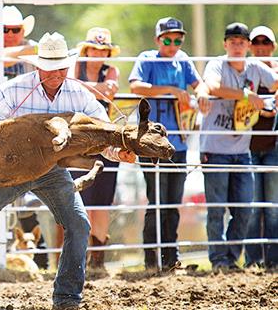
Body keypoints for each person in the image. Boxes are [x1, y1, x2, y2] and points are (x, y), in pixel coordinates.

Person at [0, 32, 135, 310]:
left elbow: (102, 133)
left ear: (68, 66)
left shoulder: (80, 95)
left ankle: (67, 297)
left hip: (52, 168)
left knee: (79, 224)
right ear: (38, 66)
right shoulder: (14, 89)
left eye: (61, 67)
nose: (56, 73)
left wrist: (117, 153)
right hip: (12, 169)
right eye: (50, 67)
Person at [128, 17, 210, 271]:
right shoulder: (147, 58)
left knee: (173, 202)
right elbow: (136, 86)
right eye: (168, 39)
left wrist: (203, 92)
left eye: (178, 40)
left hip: (179, 144)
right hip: (152, 143)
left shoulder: (183, 60)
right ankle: (152, 259)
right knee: (157, 201)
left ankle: (170, 257)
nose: (173, 44)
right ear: (158, 40)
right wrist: (172, 90)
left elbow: (199, 83)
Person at [0, 5, 49, 269]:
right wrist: (31, 49)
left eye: (14, 30)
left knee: (29, 194)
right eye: (3, 30)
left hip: (25, 132)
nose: (9, 34)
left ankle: (38, 259)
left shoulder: (32, 49)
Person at [201, 22, 278, 271]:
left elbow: (275, 82)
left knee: (245, 208)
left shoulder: (255, 66)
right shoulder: (217, 64)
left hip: (241, 152)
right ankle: (218, 260)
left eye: (241, 42)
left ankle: (231, 258)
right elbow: (213, 86)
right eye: (232, 42)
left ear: (247, 46)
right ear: (225, 45)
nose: (237, 46)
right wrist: (247, 96)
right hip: (215, 149)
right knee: (216, 210)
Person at [70, 27, 121, 270]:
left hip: (103, 137)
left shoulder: (111, 70)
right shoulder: (74, 68)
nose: (98, 53)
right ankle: (79, 255)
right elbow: (74, 89)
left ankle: (98, 259)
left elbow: (106, 89)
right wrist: (96, 89)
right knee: (79, 198)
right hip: (79, 140)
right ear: (86, 50)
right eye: (94, 48)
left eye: (103, 49)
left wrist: (87, 88)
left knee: (102, 200)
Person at [244, 25, 278, 269]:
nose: (261, 47)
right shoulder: (244, 72)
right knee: (253, 207)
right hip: (247, 146)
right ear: (250, 46)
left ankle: (274, 261)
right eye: (257, 43)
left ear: (273, 47)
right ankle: (253, 260)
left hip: (273, 146)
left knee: (273, 208)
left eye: (266, 43)